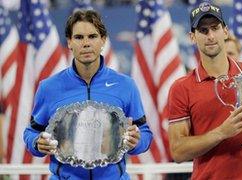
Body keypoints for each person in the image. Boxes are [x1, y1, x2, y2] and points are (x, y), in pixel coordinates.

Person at [23, 9, 153, 179]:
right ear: (69, 42)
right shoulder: (48, 87)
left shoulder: (125, 85)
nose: (86, 43)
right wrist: (36, 143)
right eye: (78, 37)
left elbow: (145, 133)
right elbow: (31, 132)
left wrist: (137, 141)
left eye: (92, 36)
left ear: (103, 40)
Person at [167, 2, 242, 179]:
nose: (210, 36)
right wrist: (222, 132)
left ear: (225, 31)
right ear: (192, 37)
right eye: (203, 30)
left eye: (215, 28)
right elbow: (178, 152)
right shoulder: (181, 88)